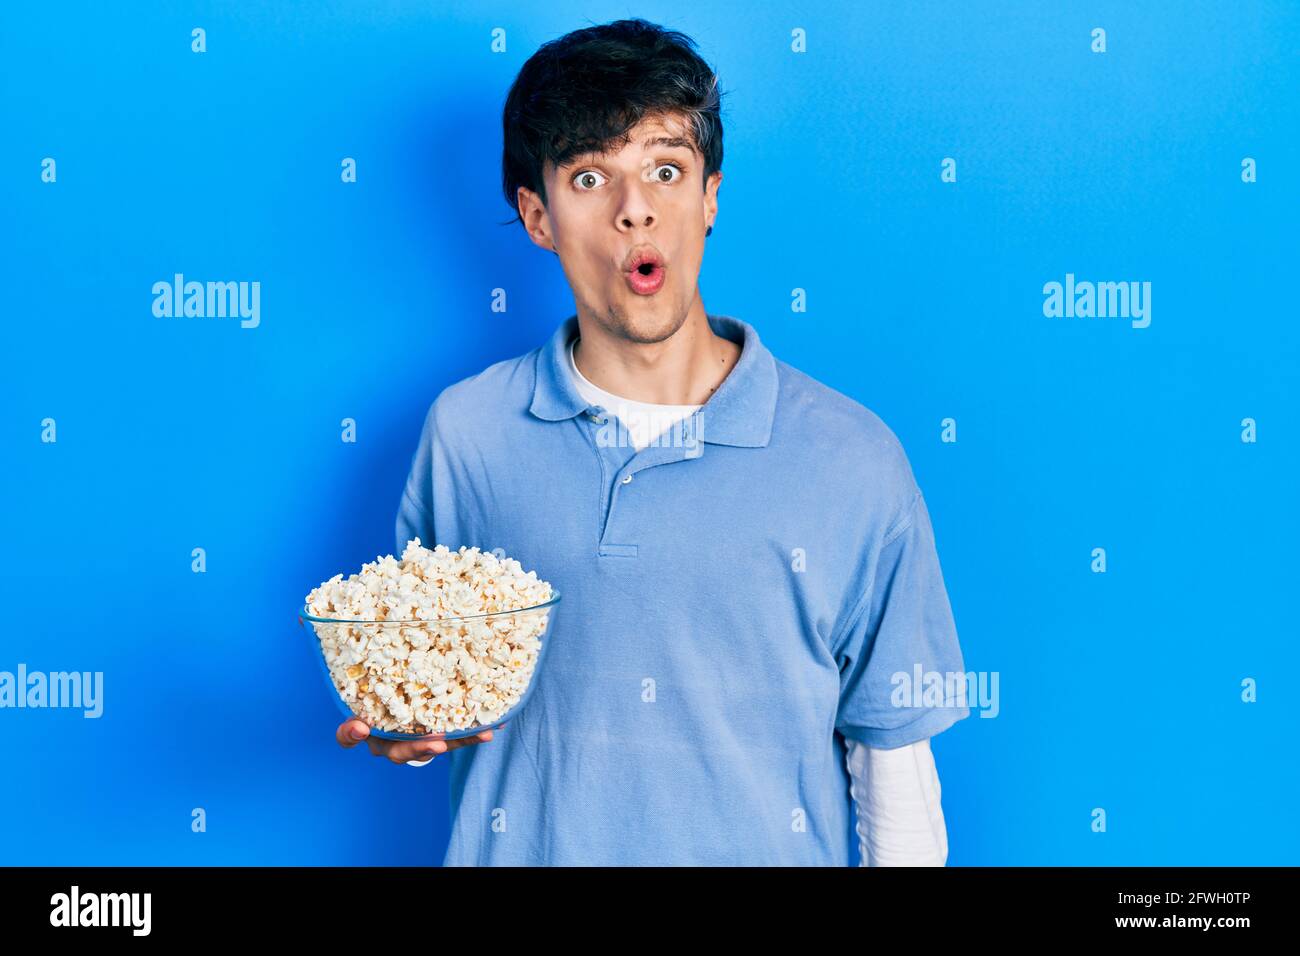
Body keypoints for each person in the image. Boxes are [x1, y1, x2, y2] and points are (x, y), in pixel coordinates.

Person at [336, 17, 969, 866]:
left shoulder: (853, 460)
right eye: (591, 176)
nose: (636, 207)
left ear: (709, 197)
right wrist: (405, 718)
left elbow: (894, 773)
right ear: (538, 215)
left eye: (665, 170)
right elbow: (427, 680)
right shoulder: (467, 436)